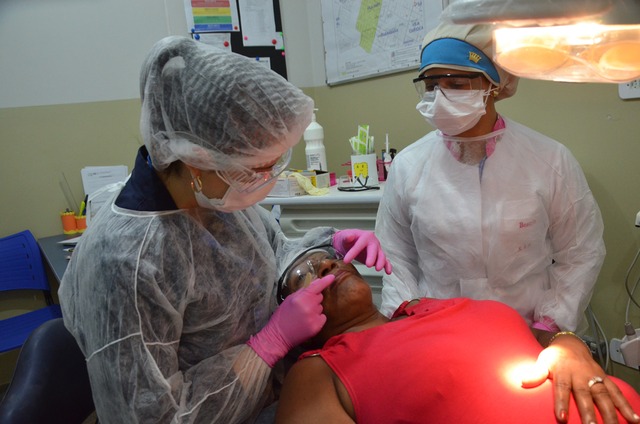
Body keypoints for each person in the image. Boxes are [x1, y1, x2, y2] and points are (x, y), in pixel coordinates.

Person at [58, 36, 391, 424]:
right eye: (257, 167)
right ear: (197, 160)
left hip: (269, 395)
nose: (267, 178)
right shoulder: (127, 262)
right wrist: (269, 344)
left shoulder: (219, 198)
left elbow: (272, 252)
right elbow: (151, 416)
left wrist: (323, 246)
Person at [374, 21, 612, 423]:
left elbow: (581, 251)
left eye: (457, 83)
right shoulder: (409, 166)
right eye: (431, 85)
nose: (441, 96)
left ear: (495, 84)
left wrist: (550, 327)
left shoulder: (548, 159)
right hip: (435, 335)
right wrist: (407, 319)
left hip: (528, 334)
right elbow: (394, 255)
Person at [274, 248, 640, 424]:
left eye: (328, 256)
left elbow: (544, 338)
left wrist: (568, 343)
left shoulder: (427, 305)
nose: (326, 264)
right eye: (301, 276)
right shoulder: (317, 371)